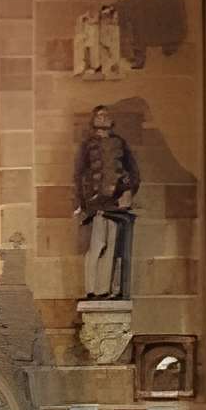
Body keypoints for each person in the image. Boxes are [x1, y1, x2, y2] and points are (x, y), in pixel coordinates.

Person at [73, 103, 139, 299]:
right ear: (93, 120)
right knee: (96, 245)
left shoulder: (120, 143)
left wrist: (128, 191)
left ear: (111, 120)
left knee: (111, 246)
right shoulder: (87, 145)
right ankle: (90, 289)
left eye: (105, 116)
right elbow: (78, 174)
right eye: (99, 116)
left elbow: (133, 171)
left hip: (116, 202)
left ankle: (104, 289)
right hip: (95, 202)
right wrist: (79, 202)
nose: (102, 119)